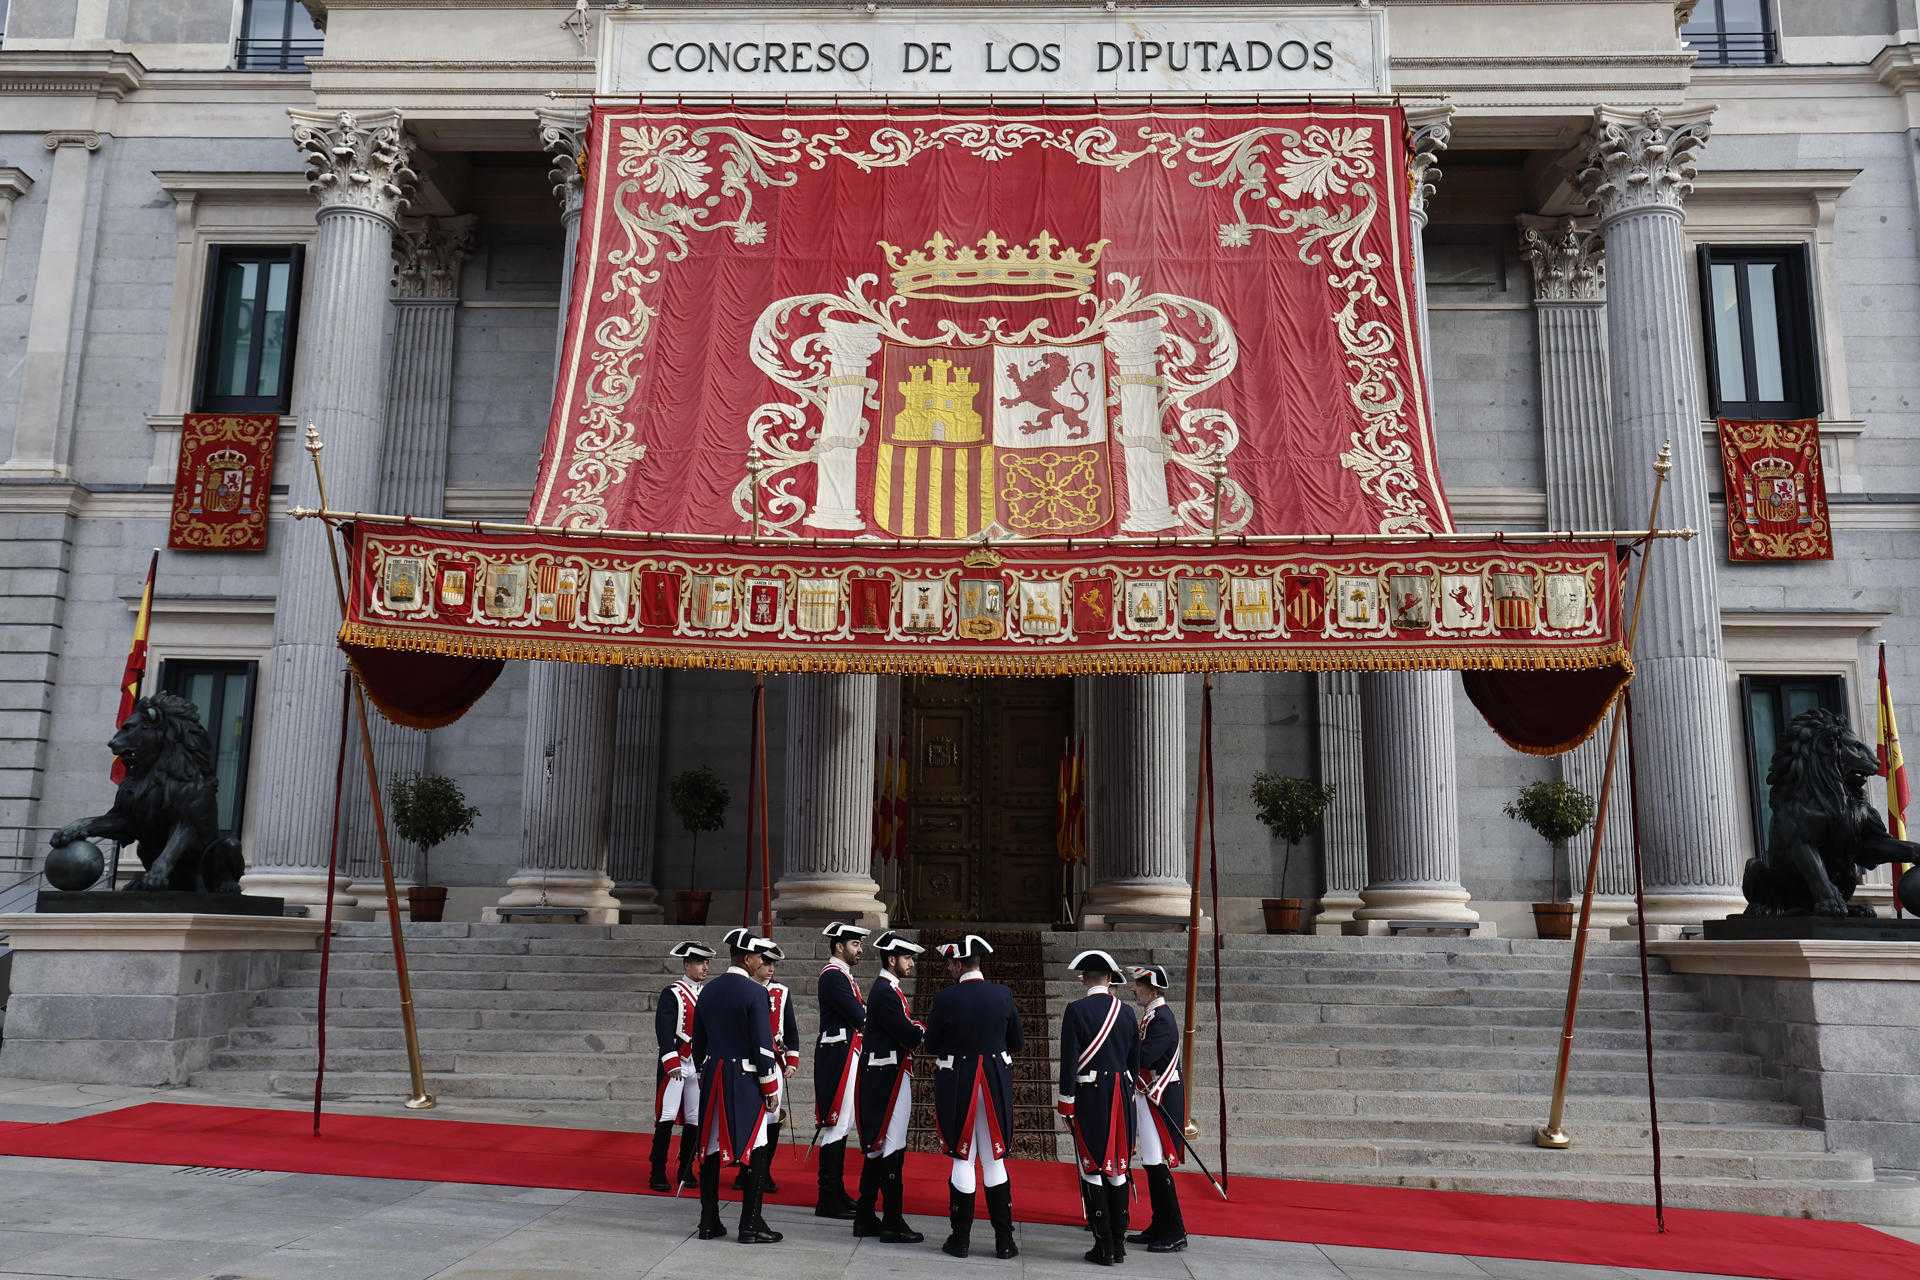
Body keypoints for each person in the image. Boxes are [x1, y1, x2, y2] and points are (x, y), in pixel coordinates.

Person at [923, 933, 1022, 1260]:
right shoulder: (1003, 994)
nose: (949, 968)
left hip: (959, 1083)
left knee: (962, 1156)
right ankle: (1004, 1242)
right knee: (994, 1159)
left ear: (959, 963)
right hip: (994, 1081)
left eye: (951, 963)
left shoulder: (946, 998)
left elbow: (933, 1044)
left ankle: (960, 1239)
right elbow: (1016, 1042)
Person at [690, 932, 784, 1244]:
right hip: (745, 1079)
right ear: (747, 958)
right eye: (760, 957)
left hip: (714, 1075)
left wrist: (708, 1068)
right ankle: (750, 1223)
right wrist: (770, 1085)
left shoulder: (708, 990)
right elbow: (762, 1044)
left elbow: (698, 1043)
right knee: (756, 1146)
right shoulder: (755, 992)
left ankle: (708, 1220)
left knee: (712, 1148)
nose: (764, 962)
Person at [1058, 949, 1138, 1267]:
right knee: (1118, 1168)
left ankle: (1102, 1246)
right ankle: (1118, 1245)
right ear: (1108, 979)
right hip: (1121, 1094)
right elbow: (1134, 1061)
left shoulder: (1076, 1010)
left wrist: (1066, 1104)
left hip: (1090, 1096)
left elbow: (1068, 1063)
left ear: (1084, 979)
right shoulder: (1128, 1012)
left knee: (1092, 1167)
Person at [852, 930, 925, 1244]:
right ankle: (892, 1221)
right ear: (891, 958)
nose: (910, 963)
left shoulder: (887, 989)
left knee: (878, 1149)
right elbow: (908, 1033)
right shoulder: (886, 992)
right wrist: (920, 1029)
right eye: (907, 957)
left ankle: (866, 1216)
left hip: (884, 1075)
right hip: (888, 1079)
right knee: (892, 1147)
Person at [1125, 964, 1188, 1253]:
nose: (1134, 989)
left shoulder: (1161, 1018)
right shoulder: (1153, 1015)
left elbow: (1148, 1056)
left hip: (1160, 1096)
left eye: (1138, 985)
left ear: (1151, 989)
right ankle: (1160, 1224)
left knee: (1157, 1162)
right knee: (1151, 1162)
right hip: (1149, 1095)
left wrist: (1122, 1047)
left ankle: (1175, 1230)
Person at [814, 921, 870, 1219]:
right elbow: (858, 1014)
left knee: (843, 1122)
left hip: (847, 1053)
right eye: (855, 944)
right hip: (838, 1055)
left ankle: (835, 1192)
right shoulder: (834, 976)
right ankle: (828, 1197)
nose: (860, 949)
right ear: (839, 946)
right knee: (836, 1122)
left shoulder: (843, 975)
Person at [735, 941, 800, 1193]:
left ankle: (764, 1170)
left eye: (774, 964)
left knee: (772, 1119)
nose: (770, 968)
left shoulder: (781, 992)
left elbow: (791, 1030)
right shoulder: (745, 988)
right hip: (749, 1063)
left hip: (774, 1062)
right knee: (752, 1117)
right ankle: (745, 1169)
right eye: (767, 962)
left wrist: (792, 1060)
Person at [650, 940, 712, 1193]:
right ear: (687, 964)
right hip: (677, 1063)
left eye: (707, 963)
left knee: (694, 1119)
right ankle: (657, 1170)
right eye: (699, 962)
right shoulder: (672, 992)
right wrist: (671, 1060)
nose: (705, 967)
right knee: (665, 1117)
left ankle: (686, 1167)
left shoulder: (707, 993)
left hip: (697, 1065)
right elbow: (664, 1029)